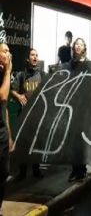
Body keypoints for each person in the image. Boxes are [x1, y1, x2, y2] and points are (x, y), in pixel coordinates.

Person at [11, 48, 44, 181]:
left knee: (37, 143)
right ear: (27, 58)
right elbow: (12, 90)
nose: (35, 57)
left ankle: (36, 170)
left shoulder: (43, 74)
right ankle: (22, 172)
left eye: (36, 55)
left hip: (37, 115)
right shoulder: (21, 75)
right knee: (23, 144)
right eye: (32, 55)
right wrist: (18, 96)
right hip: (24, 115)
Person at [68, 38, 88, 182]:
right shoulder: (70, 64)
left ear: (84, 47)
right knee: (72, 138)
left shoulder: (88, 64)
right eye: (76, 44)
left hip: (83, 106)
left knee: (81, 139)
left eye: (81, 44)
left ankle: (82, 169)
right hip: (71, 105)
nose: (78, 46)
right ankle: (74, 169)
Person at [0, 43, 13, 211]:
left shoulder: (3, 74)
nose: (8, 54)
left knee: (3, 173)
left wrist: (9, 135)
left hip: (2, 133)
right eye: (4, 51)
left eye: (9, 51)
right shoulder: (5, 75)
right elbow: (2, 96)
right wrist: (8, 72)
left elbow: (5, 108)